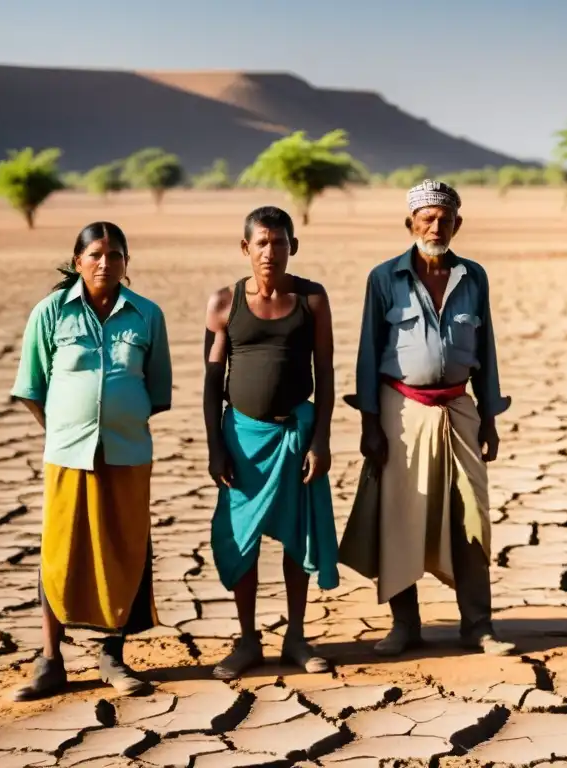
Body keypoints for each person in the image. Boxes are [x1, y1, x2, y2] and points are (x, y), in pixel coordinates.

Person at [341, 179, 516, 658]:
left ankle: (478, 626)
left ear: (458, 224)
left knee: (472, 516)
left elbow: (488, 350)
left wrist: (490, 417)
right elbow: (367, 352)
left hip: (460, 409)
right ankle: (405, 625)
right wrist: (369, 424)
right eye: (427, 217)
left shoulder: (473, 277)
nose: (435, 226)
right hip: (401, 410)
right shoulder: (384, 278)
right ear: (410, 222)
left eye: (445, 219)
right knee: (401, 518)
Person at [9, 221, 173, 701]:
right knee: (59, 551)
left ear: (127, 261)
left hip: (126, 452)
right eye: (96, 254)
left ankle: (112, 656)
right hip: (67, 454)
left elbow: (157, 390)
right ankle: (50, 659)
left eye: (116, 254)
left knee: (121, 550)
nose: (106, 263)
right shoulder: (50, 313)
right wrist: (64, 428)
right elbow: (32, 388)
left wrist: (116, 419)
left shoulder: (147, 315)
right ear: (77, 259)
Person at [204, 205, 339, 680]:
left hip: (295, 437)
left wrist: (320, 440)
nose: (270, 251)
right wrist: (214, 446)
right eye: (260, 242)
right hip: (241, 438)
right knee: (242, 539)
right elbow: (211, 379)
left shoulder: (312, 299)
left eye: (279, 242)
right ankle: (246, 640)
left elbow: (325, 374)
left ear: (293, 247)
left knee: (298, 535)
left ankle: (296, 637)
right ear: (245, 248)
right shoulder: (224, 303)